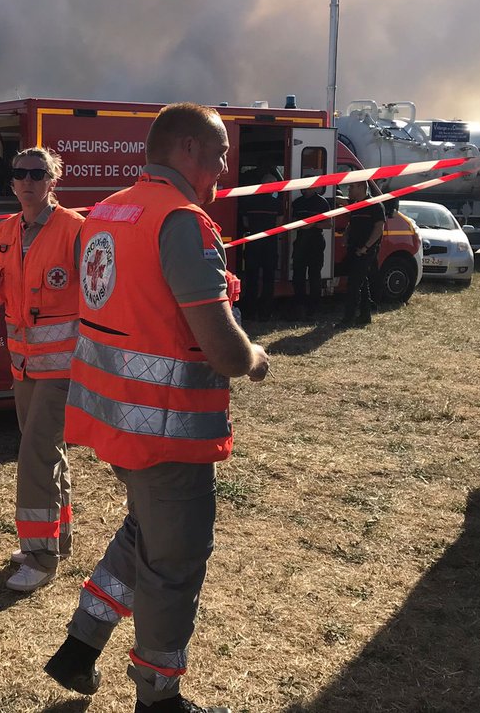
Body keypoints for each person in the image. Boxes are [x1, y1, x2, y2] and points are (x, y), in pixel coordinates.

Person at [44, 103, 268, 713]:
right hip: (167, 432)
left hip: (116, 424)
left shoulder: (108, 212)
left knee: (147, 532)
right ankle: (158, 697)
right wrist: (256, 357)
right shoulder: (181, 223)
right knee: (175, 563)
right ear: (189, 149)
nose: (226, 165)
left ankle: (80, 646)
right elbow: (222, 349)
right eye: (220, 153)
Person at [0, 148, 83, 593]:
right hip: (23, 366)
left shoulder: (75, 230)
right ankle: (58, 537)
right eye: (19, 174)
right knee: (48, 453)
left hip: (63, 369)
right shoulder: (7, 229)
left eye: (38, 174)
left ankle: (39, 555)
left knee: (35, 455)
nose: (27, 181)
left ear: (53, 182)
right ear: (11, 183)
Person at [339, 181, 386, 327]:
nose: (349, 189)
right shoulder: (355, 205)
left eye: (351, 186)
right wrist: (346, 236)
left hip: (366, 250)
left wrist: (366, 247)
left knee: (353, 284)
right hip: (354, 248)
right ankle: (365, 315)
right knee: (362, 282)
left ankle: (348, 318)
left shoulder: (375, 204)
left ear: (361, 187)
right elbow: (351, 224)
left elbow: (379, 228)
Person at [237, 170, 283, 320]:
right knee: (268, 278)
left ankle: (250, 311)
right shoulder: (276, 201)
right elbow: (279, 222)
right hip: (270, 243)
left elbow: (245, 222)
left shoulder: (249, 200)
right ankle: (266, 313)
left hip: (253, 242)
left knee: (252, 277)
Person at [290, 186, 332, 319]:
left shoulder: (322, 202)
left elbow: (328, 224)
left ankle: (314, 307)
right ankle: (299, 306)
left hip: (316, 241)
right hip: (301, 240)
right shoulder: (297, 202)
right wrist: (299, 224)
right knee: (298, 274)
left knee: (315, 275)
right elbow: (291, 221)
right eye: (303, 188)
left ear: (315, 188)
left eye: (308, 188)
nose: (305, 190)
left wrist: (313, 224)